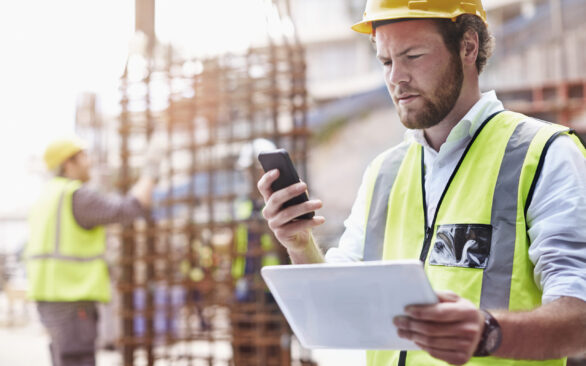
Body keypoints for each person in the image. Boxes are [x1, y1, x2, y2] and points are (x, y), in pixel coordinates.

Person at [257, 1, 586, 365]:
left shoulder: (545, 155)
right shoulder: (384, 173)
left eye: (412, 56)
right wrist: (300, 244)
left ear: (468, 46)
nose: (396, 77)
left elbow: (579, 315)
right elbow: (337, 307)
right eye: (386, 61)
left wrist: (489, 332)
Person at [25, 135, 159, 366]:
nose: (90, 162)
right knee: (78, 360)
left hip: (49, 298)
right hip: (72, 298)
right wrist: (150, 175)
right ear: (69, 163)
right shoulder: (75, 195)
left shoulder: (46, 197)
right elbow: (127, 210)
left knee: (64, 359)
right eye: (83, 157)